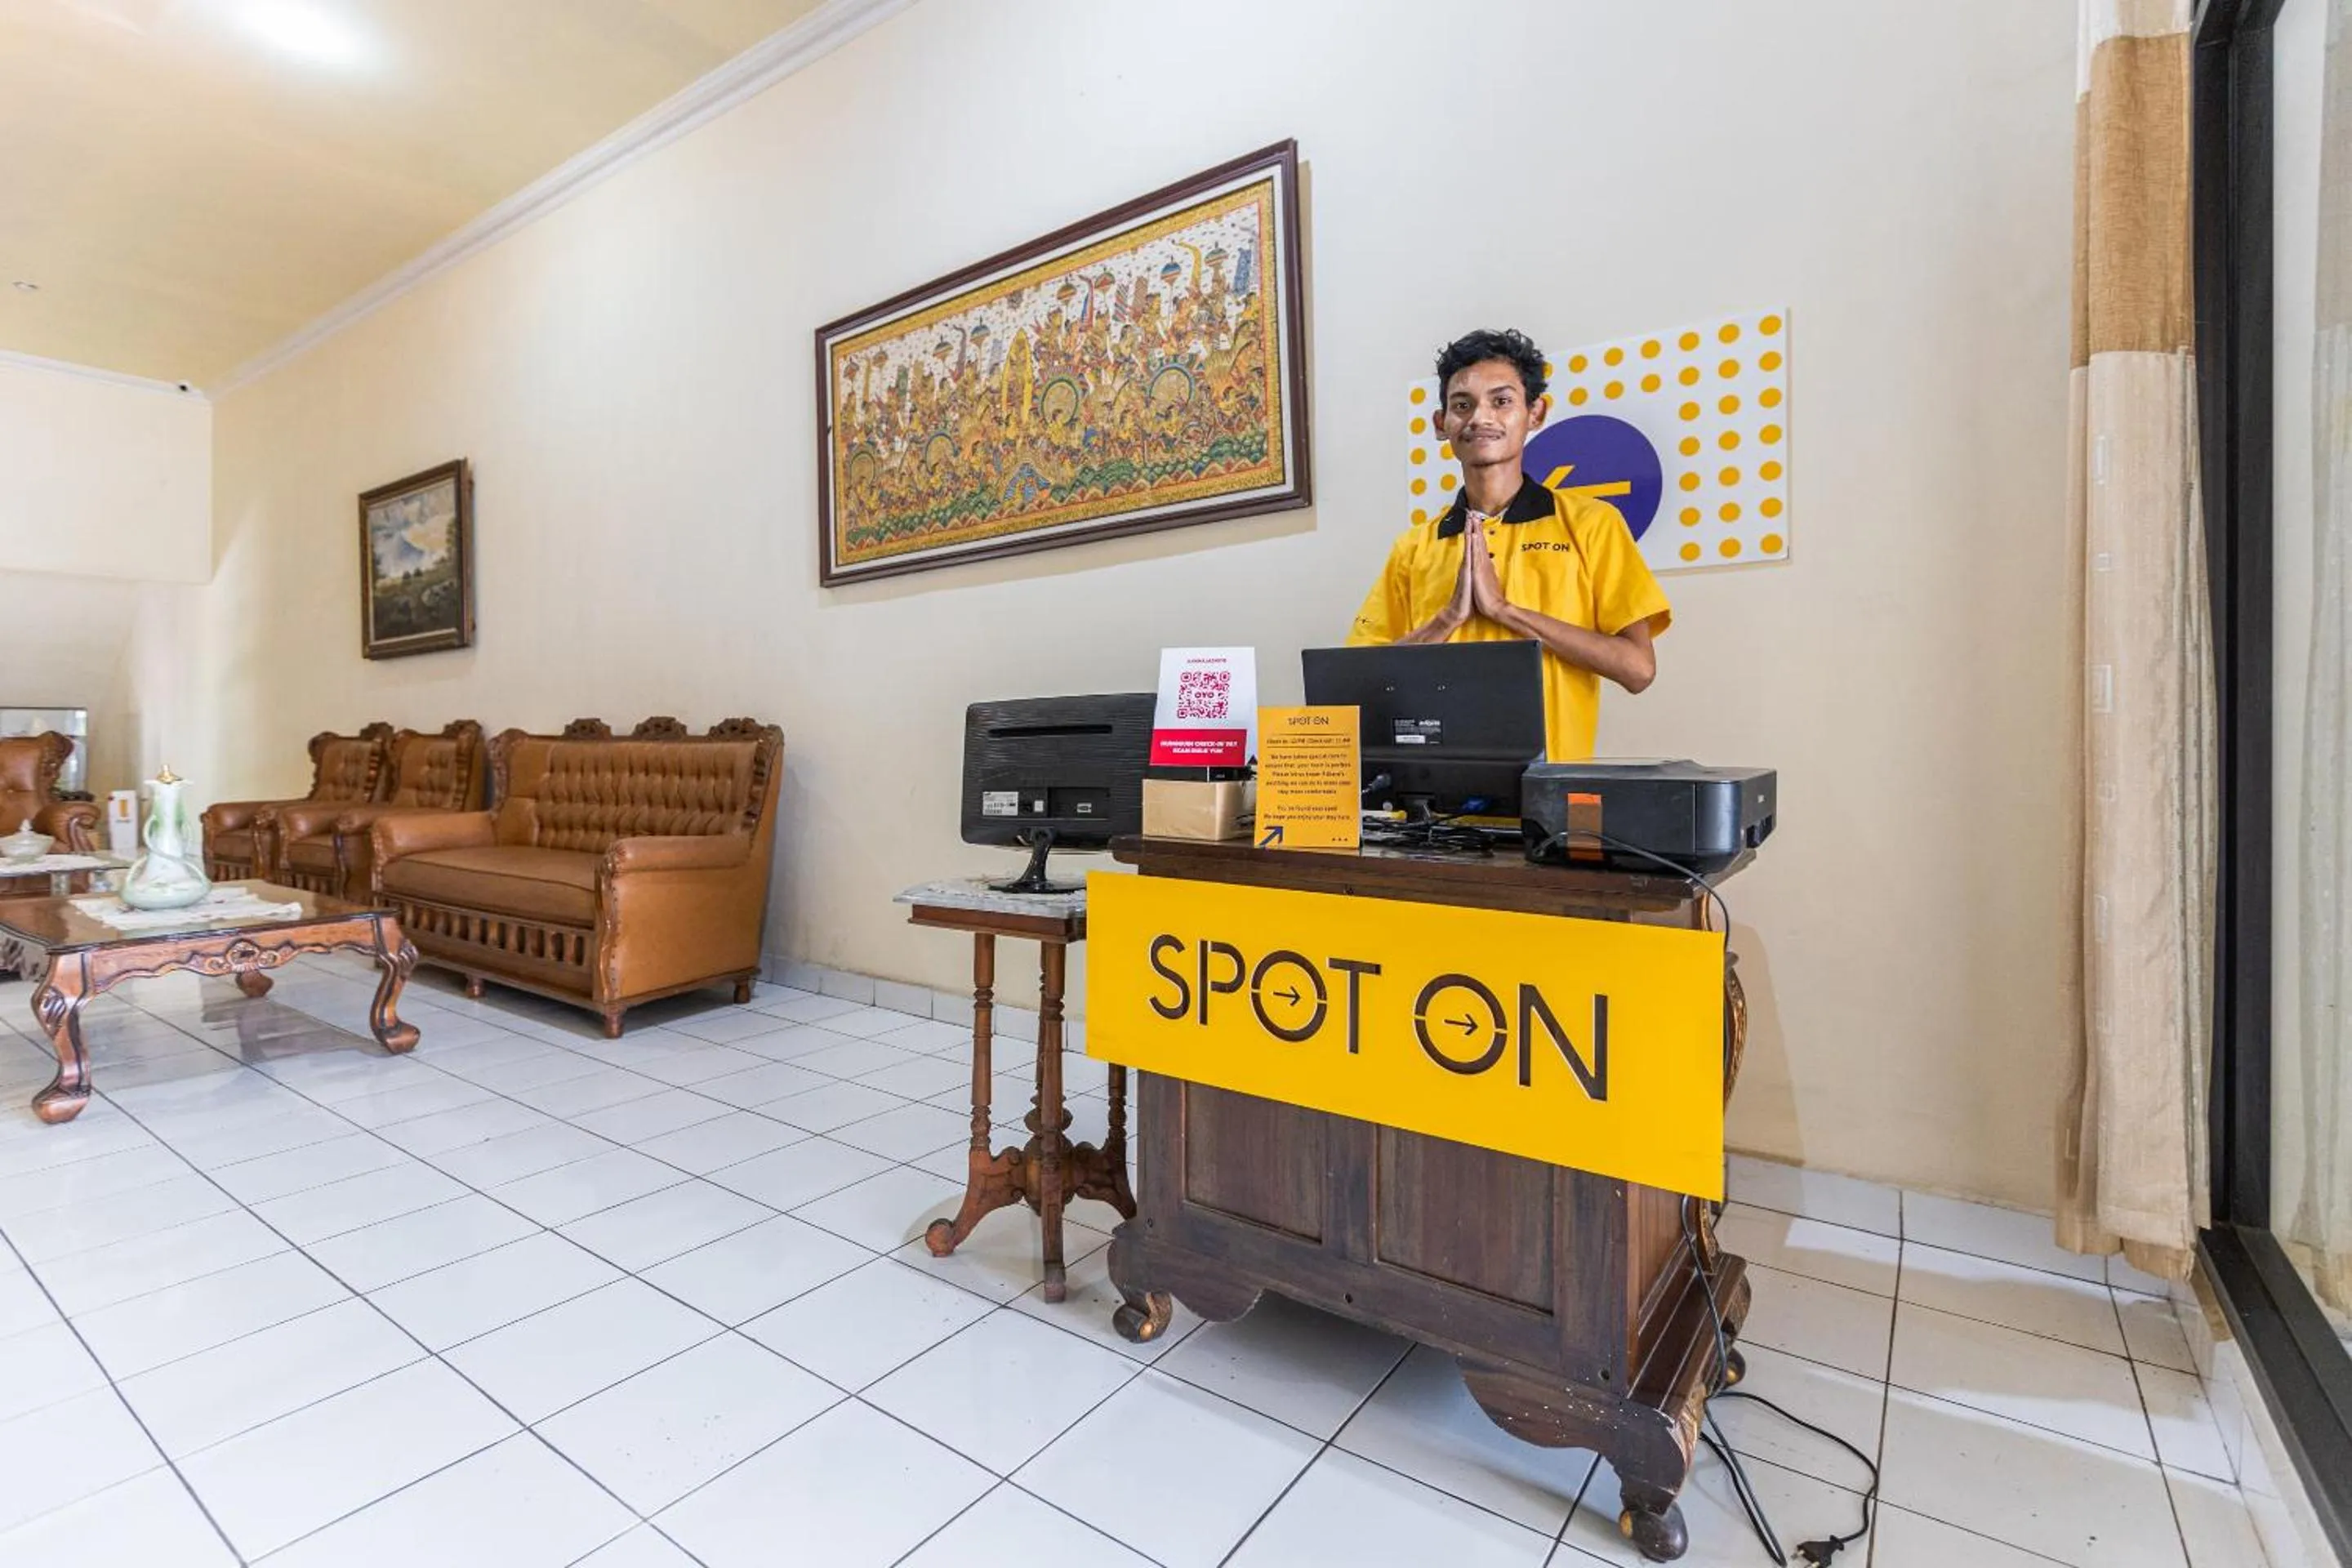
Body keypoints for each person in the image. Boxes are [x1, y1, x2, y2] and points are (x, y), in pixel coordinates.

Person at [1348, 328, 1672, 761]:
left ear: (1535, 413)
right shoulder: (1414, 546)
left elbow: (1638, 669)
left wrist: (1507, 612)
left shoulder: (1592, 524)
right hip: (1434, 810)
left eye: (1501, 401)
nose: (1481, 417)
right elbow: (1357, 686)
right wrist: (1447, 619)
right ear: (1441, 425)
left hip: (1553, 802)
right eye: (1462, 405)